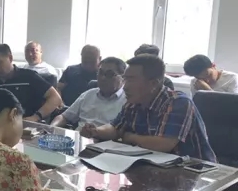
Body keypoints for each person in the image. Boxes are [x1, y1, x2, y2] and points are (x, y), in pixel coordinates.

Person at [81, 55, 216, 162]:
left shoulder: (178, 102)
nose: (125, 86)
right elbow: (115, 128)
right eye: (125, 79)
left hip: (195, 171)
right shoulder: (134, 102)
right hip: (154, 165)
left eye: (131, 80)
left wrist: (129, 137)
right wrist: (96, 131)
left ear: (153, 84)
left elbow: (164, 144)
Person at [0, 43, 62, 123]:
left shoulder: (29, 76)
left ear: (10, 58)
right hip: (1, 124)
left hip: (26, 123)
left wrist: (36, 117)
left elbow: (55, 98)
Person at [51, 57, 126, 131]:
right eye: (100, 73)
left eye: (109, 74)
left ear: (123, 78)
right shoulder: (88, 95)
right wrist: (51, 128)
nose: (103, 78)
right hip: (79, 136)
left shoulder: (127, 101)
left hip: (104, 138)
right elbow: (64, 117)